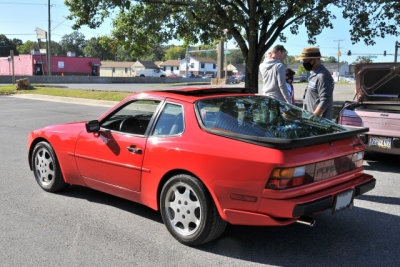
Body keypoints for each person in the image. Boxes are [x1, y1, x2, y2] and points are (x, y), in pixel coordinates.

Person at [295, 47, 334, 120]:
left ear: (314, 60)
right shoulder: (314, 75)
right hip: (310, 120)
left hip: (319, 123)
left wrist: (312, 118)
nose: (304, 63)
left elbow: (325, 100)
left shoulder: (323, 76)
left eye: (306, 61)